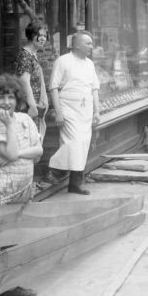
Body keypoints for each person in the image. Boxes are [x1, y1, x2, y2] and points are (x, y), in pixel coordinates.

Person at [45, 31, 100, 195]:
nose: (91, 47)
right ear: (76, 44)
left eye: (91, 43)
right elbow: (53, 87)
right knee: (73, 142)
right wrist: (59, 112)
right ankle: (54, 171)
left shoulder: (90, 64)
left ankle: (75, 184)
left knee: (83, 144)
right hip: (68, 108)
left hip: (86, 109)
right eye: (88, 43)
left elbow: (94, 88)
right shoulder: (62, 61)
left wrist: (97, 111)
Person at [0, 75, 43, 204]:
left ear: (17, 99)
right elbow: (12, 154)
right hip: (0, 192)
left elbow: (38, 150)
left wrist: (18, 153)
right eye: (1, 98)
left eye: (11, 97)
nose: (6, 102)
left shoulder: (25, 119)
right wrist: (9, 125)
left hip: (24, 188)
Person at [13, 21, 49, 141]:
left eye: (45, 35)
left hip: (34, 106)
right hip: (28, 107)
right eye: (40, 35)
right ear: (32, 36)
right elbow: (24, 82)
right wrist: (32, 106)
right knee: (29, 140)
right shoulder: (25, 56)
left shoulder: (32, 54)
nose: (43, 38)